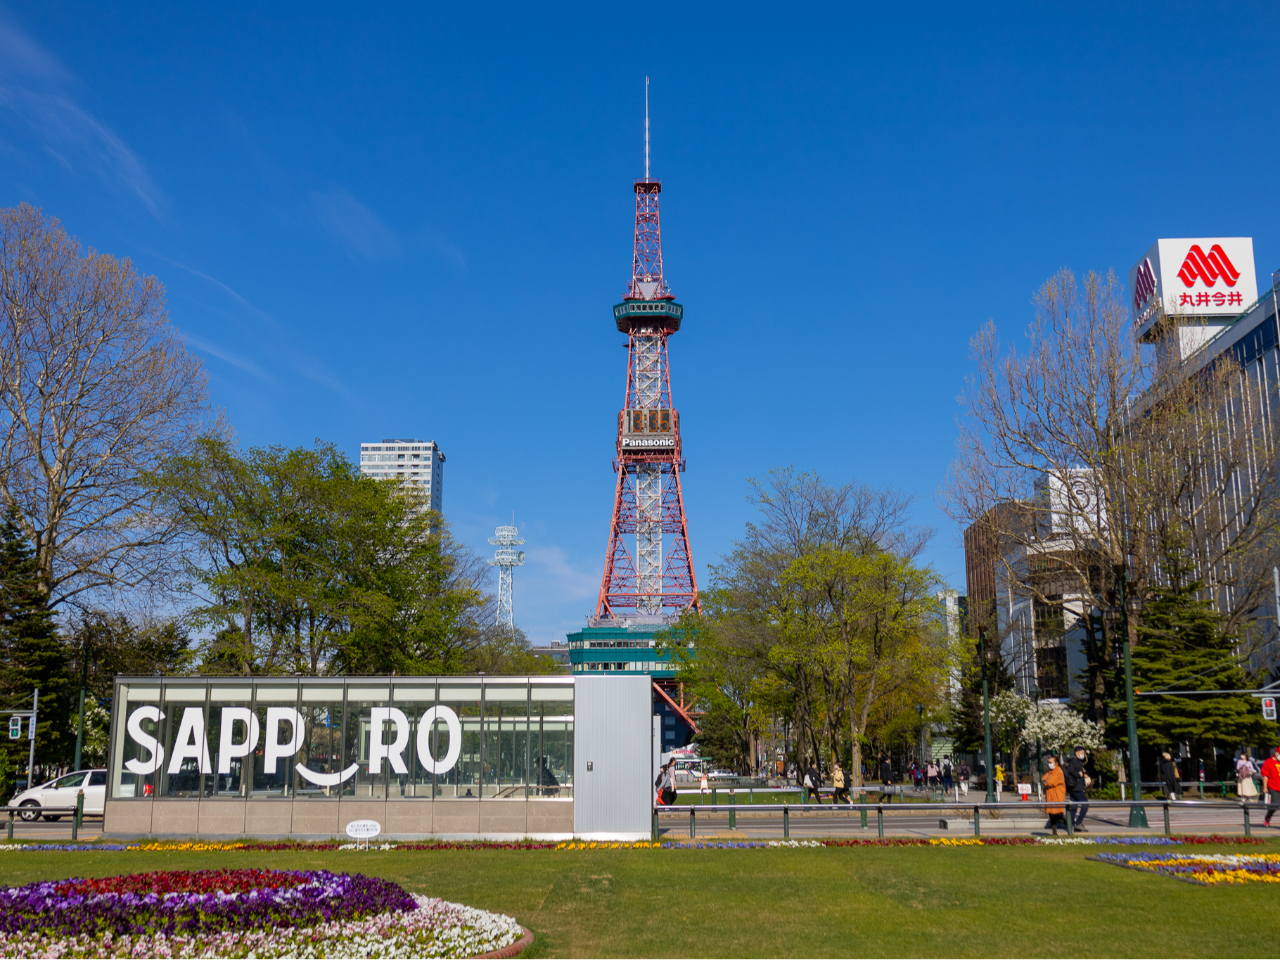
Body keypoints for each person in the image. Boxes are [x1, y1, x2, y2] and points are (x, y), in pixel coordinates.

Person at [1063, 747, 1091, 832]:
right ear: (1076, 753)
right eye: (1082, 753)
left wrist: (1082, 774)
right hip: (1076, 787)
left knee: (1074, 806)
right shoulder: (1075, 761)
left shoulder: (1074, 761)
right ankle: (1078, 823)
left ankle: (1071, 823)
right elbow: (1071, 770)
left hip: (1073, 787)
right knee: (1085, 804)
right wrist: (1079, 774)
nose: (1083, 755)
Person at [1040, 754, 1068, 835]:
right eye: (1048, 762)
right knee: (1051, 815)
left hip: (1057, 797)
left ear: (1056, 763)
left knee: (1058, 816)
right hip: (1050, 797)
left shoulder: (1058, 772)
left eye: (1050, 762)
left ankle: (1070, 827)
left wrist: (1046, 781)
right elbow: (1043, 779)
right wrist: (1046, 781)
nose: (1049, 764)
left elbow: (1050, 782)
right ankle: (1054, 832)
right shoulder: (1050, 772)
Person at [1260, 747, 1280, 826]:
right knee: (1274, 805)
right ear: (1276, 753)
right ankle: (1268, 817)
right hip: (1273, 787)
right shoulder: (1268, 762)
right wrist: (1265, 787)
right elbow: (1265, 776)